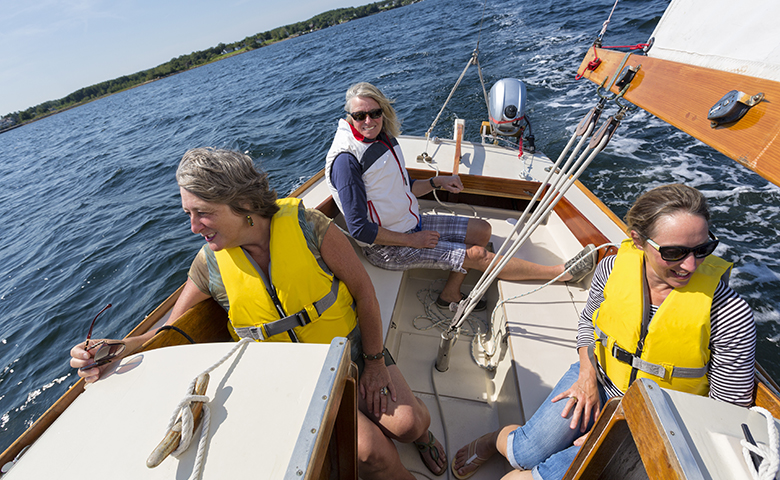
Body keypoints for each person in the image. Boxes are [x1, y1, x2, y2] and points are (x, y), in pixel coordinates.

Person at [70, 148, 447, 479]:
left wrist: (375, 362)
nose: (192, 227)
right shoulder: (209, 267)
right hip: (292, 375)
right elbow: (167, 335)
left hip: (351, 350)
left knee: (410, 424)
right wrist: (116, 349)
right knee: (371, 454)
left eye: (202, 213)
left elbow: (364, 292)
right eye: (188, 213)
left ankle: (422, 436)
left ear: (243, 204)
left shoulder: (308, 226)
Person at [450, 183, 756, 480]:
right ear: (638, 241)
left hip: (661, 417)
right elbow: (588, 324)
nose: (690, 265)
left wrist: (619, 427)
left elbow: (723, 409)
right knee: (524, 454)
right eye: (675, 252)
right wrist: (586, 374)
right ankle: (494, 440)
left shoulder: (729, 313)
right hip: (599, 375)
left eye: (702, 249)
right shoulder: (611, 268)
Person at [325, 82, 596, 311]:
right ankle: (561, 273)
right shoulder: (347, 161)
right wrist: (413, 241)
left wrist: (436, 181)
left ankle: (449, 295)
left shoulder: (379, 138)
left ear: (383, 111)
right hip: (387, 247)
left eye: (374, 113)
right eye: (360, 116)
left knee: (482, 229)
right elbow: (360, 230)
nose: (368, 121)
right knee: (478, 254)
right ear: (350, 118)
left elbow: (401, 185)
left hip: (410, 223)